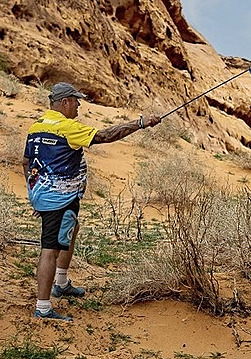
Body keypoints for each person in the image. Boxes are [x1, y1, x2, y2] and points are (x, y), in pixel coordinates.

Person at [22, 82, 161, 321]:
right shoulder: (68, 127)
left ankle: (62, 282)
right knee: (49, 249)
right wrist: (140, 123)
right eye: (76, 100)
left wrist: (36, 194)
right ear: (64, 102)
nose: (78, 105)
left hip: (48, 195)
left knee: (72, 227)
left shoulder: (37, 126)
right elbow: (105, 136)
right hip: (59, 196)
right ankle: (43, 308)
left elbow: (26, 162)